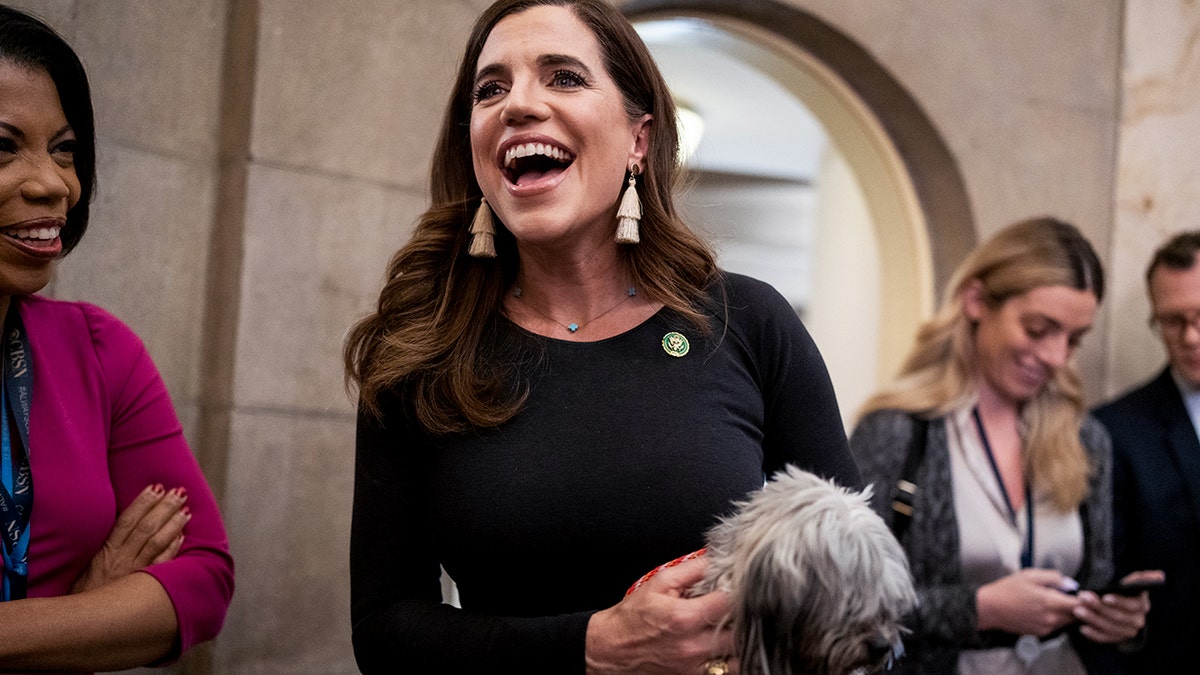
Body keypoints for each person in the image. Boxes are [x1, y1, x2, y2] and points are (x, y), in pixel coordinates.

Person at [343, 0, 859, 672]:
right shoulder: (418, 349)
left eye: (563, 77)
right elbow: (384, 631)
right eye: (490, 89)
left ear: (638, 140)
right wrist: (591, 647)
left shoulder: (750, 322)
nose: (517, 105)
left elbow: (855, 588)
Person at [0, 6, 233, 670]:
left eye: (66, 149)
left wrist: (29, 631)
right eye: (4, 146)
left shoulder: (99, 350)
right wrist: (90, 610)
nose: (53, 184)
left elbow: (204, 577)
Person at [849, 217, 1158, 674]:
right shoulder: (898, 432)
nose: (1056, 357)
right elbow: (845, 605)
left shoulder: (1085, 438)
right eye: (1038, 329)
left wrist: (1117, 619)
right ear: (975, 301)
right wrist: (979, 608)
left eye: (1073, 340)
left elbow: (1091, 582)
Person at [1092, 231, 1200, 672]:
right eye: (1173, 321)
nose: (1191, 337)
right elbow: (1105, 589)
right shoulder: (1115, 430)